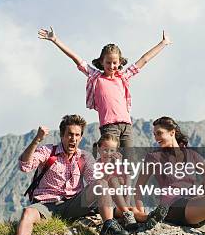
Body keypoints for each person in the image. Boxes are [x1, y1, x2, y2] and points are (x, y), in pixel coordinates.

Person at [9, 114, 131, 235]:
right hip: (47, 205)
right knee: (28, 212)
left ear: (81, 137)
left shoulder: (84, 157)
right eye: (70, 134)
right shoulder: (48, 152)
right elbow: (24, 165)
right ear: (62, 135)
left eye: (77, 135)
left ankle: (109, 226)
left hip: (74, 204)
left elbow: (96, 180)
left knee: (101, 184)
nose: (73, 138)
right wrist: (37, 140)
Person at [38, 26, 172, 148]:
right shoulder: (96, 77)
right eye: (108, 62)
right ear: (102, 62)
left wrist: (163, 43)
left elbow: (144, 59)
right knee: (110, 160)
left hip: (126, 125)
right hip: (109, 126)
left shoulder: (123, 77)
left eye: (115, 63)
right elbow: (76, 59)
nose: (112, 66)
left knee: (129, 161)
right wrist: (55, 40)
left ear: (119, 62)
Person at [93, 133, 166, 228]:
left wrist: (118, 165)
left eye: (112, 150)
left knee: (127, 177)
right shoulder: (97, 164)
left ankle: (147, 217)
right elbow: (100, 184)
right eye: (105, 150)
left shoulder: (116, 163)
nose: (108, 153)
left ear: (117, 151)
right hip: (105, 204)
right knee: (114, 181)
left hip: (119, 202)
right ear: (99, 149)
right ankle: (136, 216)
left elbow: (124, 181)